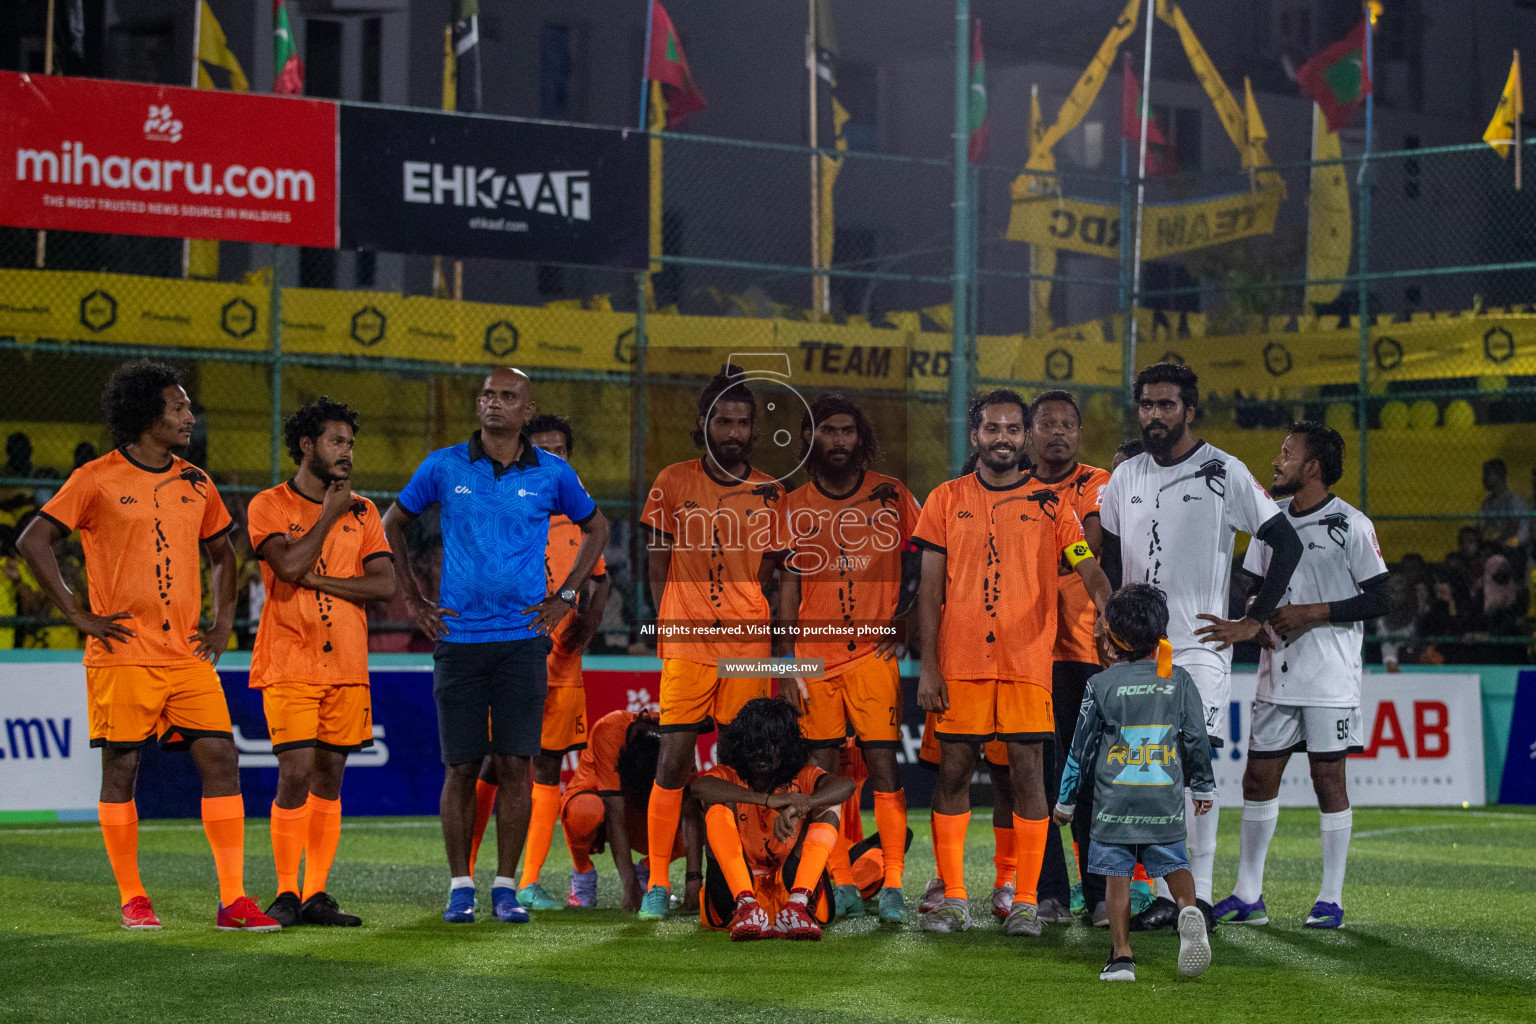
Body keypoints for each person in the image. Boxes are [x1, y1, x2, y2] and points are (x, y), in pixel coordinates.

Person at [16, 360, 277, 931]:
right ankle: (133, 896)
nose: (189, 417)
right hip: (123, 654)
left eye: (188, 408)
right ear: (145, 415)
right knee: (122, 769)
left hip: (186, 656)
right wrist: (79, 615)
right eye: (178, 407)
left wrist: (221, 624)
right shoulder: (96, 478)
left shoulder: (197, 481)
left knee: (222, 761)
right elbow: (33, 540)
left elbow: (225, 555)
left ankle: (233, 900)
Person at [382, 367, 609, 925]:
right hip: (458, 639)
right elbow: (391, 523)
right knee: (460, 767)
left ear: (527, 410)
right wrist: (412, 601)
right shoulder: (444, 465)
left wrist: (567, 595)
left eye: (508, 397)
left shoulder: (553, 472)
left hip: (523, 642)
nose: (495, 404)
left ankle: (505, 887)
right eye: (488, 395)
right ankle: (461, 886)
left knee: (515, 765)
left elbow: (599, 527)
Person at [1099, 362, 1302, 931]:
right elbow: (1111, 562)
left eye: (1166, 405)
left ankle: (1202, 897)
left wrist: (1252, 620)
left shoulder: (1225, 471)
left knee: (1193, 764)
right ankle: (1170, 893)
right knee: (1153, 771)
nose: (1154, 415)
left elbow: (1285, 544)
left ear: (1189, 410)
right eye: (1146, 405)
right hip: (1140, 650)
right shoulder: (1125, 478)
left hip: (1199, 647)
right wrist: (1111, 624)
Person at [912, 388, 1110, 936]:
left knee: (1028, 776)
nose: (1003, 438)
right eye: (992, 429)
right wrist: (929, 667)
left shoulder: (1053, 505)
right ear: (975, 435)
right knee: (953, 772)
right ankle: (953, 896)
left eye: (1012, 429)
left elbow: (1086, 565)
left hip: (1027, 664)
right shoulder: (945, 499)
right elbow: (928, 591)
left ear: (1025, 437)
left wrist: (1107, 607)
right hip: (961, 662)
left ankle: (1025, 900)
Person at [1205, 422, 1388, 931]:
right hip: (1276, 674)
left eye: (1287, 453)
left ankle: (1330, 899)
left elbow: (1381, 597)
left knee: (1328, 779)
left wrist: (1313, 612)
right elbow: (1254, 586)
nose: (1276, 460)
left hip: (1330, 677)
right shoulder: (1274, 521)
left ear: (1312, 467)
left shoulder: (1350, 524)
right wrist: (1253, 615)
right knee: (1258, 777)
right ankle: (1248, 893)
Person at [637, 365, 787, 920]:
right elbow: (656, 563)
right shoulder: (671, 481)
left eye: (742, 422)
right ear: (705, 423)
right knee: (673, 760)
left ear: (753, 428)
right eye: (723, 420)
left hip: (746, 645)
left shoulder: (772, 491)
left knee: (742, 764)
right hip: (687, 643)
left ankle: (735, 881)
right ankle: (659, 881)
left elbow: (773, 567)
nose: (733, 431)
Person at [246, 397, 397, 928]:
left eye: (350, 443)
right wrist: (330, 514)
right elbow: (287, 565)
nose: (346, 452)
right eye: (337, 441)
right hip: (289, 658)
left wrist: (327, 582)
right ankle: (285, 892)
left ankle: (315, 894)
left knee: (330, 775)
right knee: (296, 771)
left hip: (348, 665)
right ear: (307, 446)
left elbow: (385, 584)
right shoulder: (268, 504)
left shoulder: (366, 511)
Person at [778, 393, 921, 924]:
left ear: (861, 439)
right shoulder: (794, 505)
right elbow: (787, 588)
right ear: (811, 439)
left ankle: (895, 887)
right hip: (813, 659)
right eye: (827, 431)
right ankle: (837, 881)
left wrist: (908, 617)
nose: (837, 441)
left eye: (846, 432)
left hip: (871, 656)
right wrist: (787, 664)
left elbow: (936, 557)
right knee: (822, 774)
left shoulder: (892, 495)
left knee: (883, 767)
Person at [464, 413, 612, 911]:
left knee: (547, 766)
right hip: (507, 659)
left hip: (562, 665)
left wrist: (586, 630)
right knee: (492, 759)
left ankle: (527, 882)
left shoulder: (580, 520)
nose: (551, 460)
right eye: (542, 450)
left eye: (560, 452)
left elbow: (601, 580)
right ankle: (462, 874)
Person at [1053, 583, 1215, 982]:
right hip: (1162, 798)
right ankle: (1187, 909)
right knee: (1175, 863)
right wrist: (1204, 786)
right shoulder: (1177, 679)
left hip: (1115, 803)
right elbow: (1196, 738)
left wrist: (1066, 801)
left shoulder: (1102, 684)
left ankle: (1122, 955)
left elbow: (1081, 748)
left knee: (1117, 875)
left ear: (1112, 639)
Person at [1024, 390, 1112, 926]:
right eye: (1048, 423)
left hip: (1083, 650)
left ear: (1078, 434)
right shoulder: (1016, 485)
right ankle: (1051, 892)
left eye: (1068, 424)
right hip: (1028, 655)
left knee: (1092, 777)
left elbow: (1090, 544)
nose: (1058, 431)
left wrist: (1024, 556)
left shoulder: (1094, 482)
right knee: (1038, 777)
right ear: (1031, 432)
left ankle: (1101, 893)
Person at [690, 697, 855, 941]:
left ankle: (798, 905)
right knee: (717, 801)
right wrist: (767, 801)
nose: (761, 752)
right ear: (742, 746)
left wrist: (802, 804)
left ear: (786, 746)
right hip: (735, 898)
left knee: (828, 805)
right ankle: (747, 905)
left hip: (790, 886)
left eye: (771, 744)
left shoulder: (803, 775)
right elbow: (699, 787)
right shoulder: (730, 775)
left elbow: (846, 785)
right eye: (754, 743)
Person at [558, 709, 701, 909]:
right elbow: (614, 812)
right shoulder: (608, 730)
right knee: (586, 812)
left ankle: (647, 872)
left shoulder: (679, 740)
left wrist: (694, 882)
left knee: (704, 821)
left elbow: (690, 812)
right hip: (596, 797)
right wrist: (629, 885)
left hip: (641, 808)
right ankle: (582, 873)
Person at [1479, 459, 1529, 564]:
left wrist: (1494, 544)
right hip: (1497, 544)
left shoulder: (1513, 500)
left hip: (1516, 544)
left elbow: (1512, 529)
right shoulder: (1487, 503)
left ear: (1499, 475)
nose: (1484, 478)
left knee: (1508, 548)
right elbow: (1481, 527)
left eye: (1488, 474)